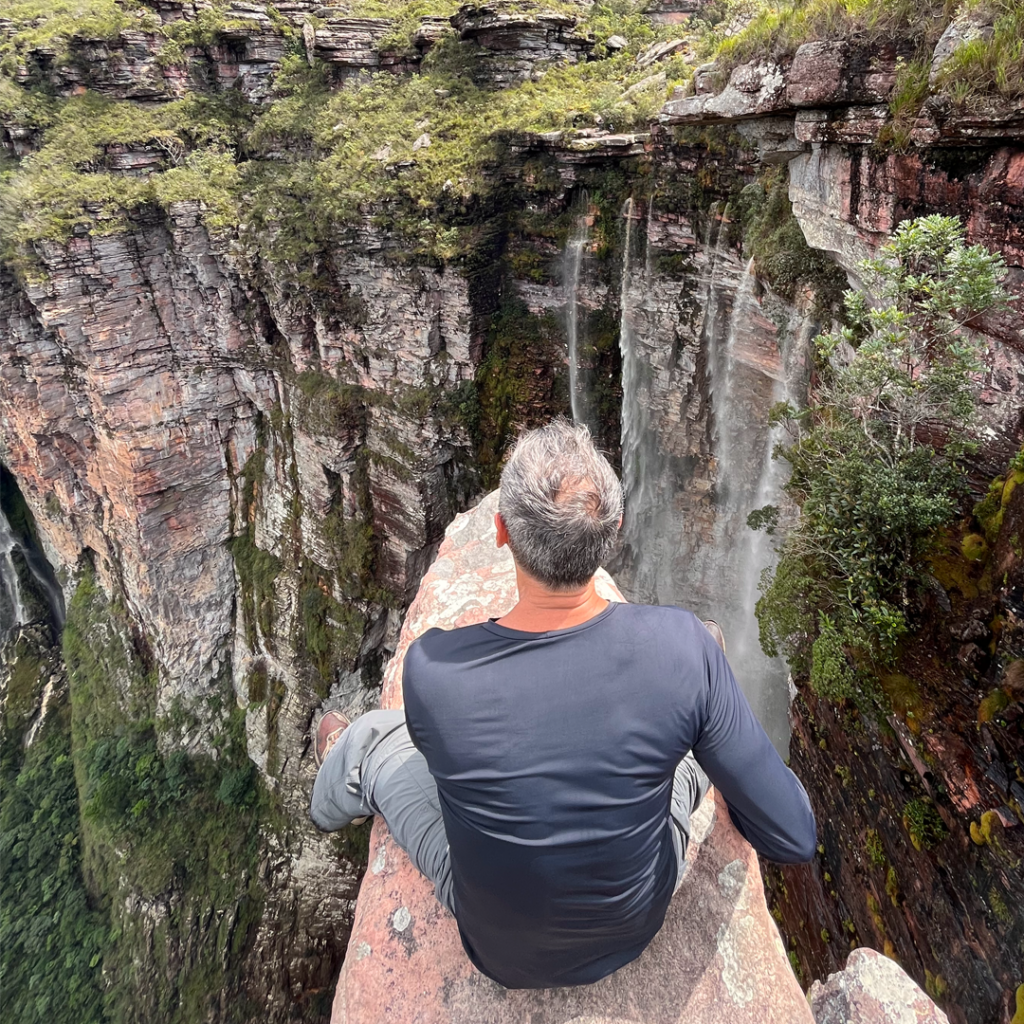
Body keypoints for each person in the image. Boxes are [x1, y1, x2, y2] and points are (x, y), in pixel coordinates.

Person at [310, 419, 816, 990]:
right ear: (614, 530)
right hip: (633, 927)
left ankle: (330, 783)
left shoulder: (435, 670)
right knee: (695, 732)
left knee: (379, 737)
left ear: (499, 531)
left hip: (500, 950)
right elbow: (793, 837)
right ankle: (705, 726)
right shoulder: (682, 649)